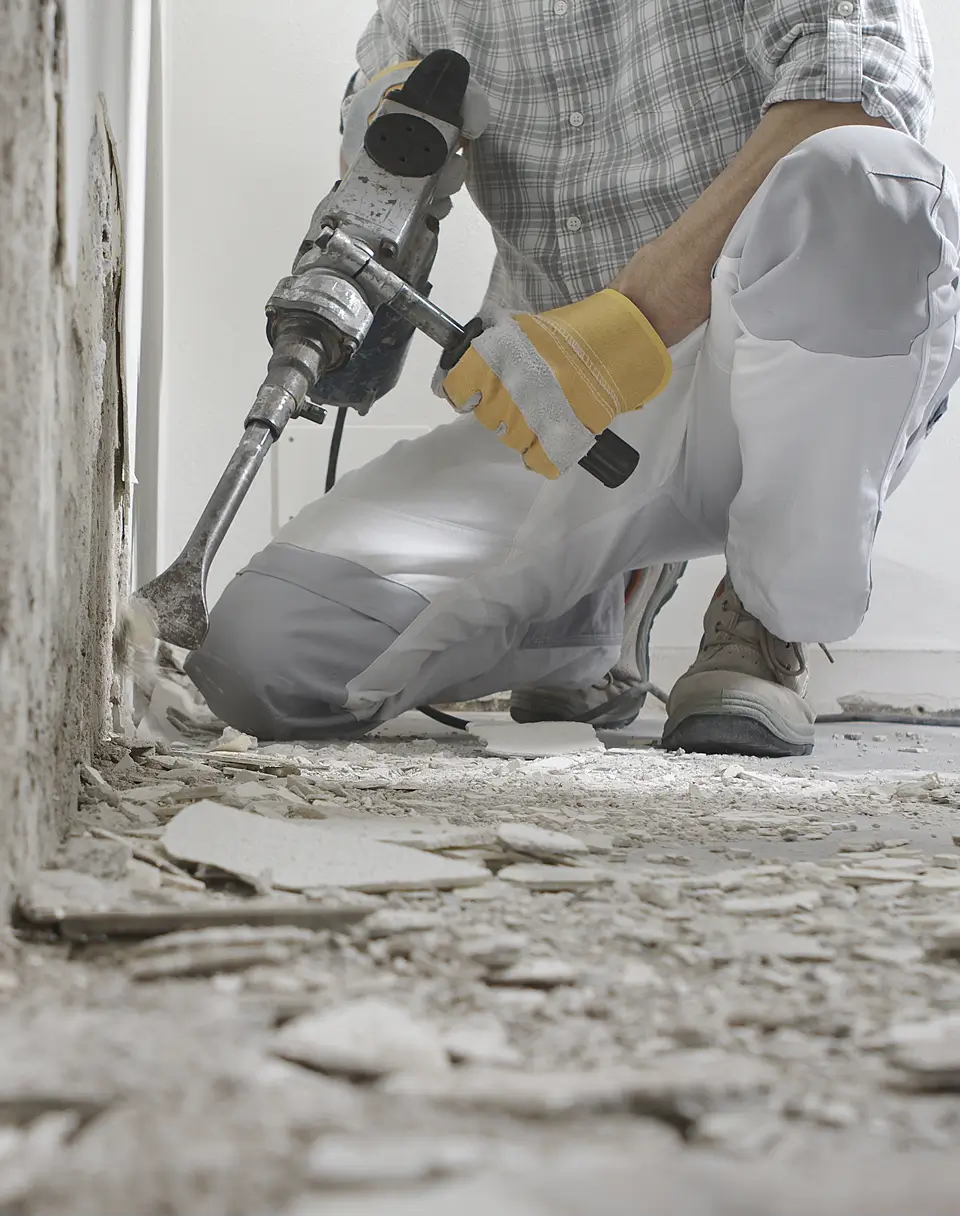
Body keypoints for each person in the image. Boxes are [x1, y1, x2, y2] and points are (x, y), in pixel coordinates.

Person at [186, 0, 959, 757]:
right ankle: (590, 614)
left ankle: (763, 617)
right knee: (264, 657)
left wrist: (628, 323)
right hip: (558, 414)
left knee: (867, 179)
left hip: (768, 369)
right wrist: (384, 176)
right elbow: (380, 184)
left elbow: (857, 101)